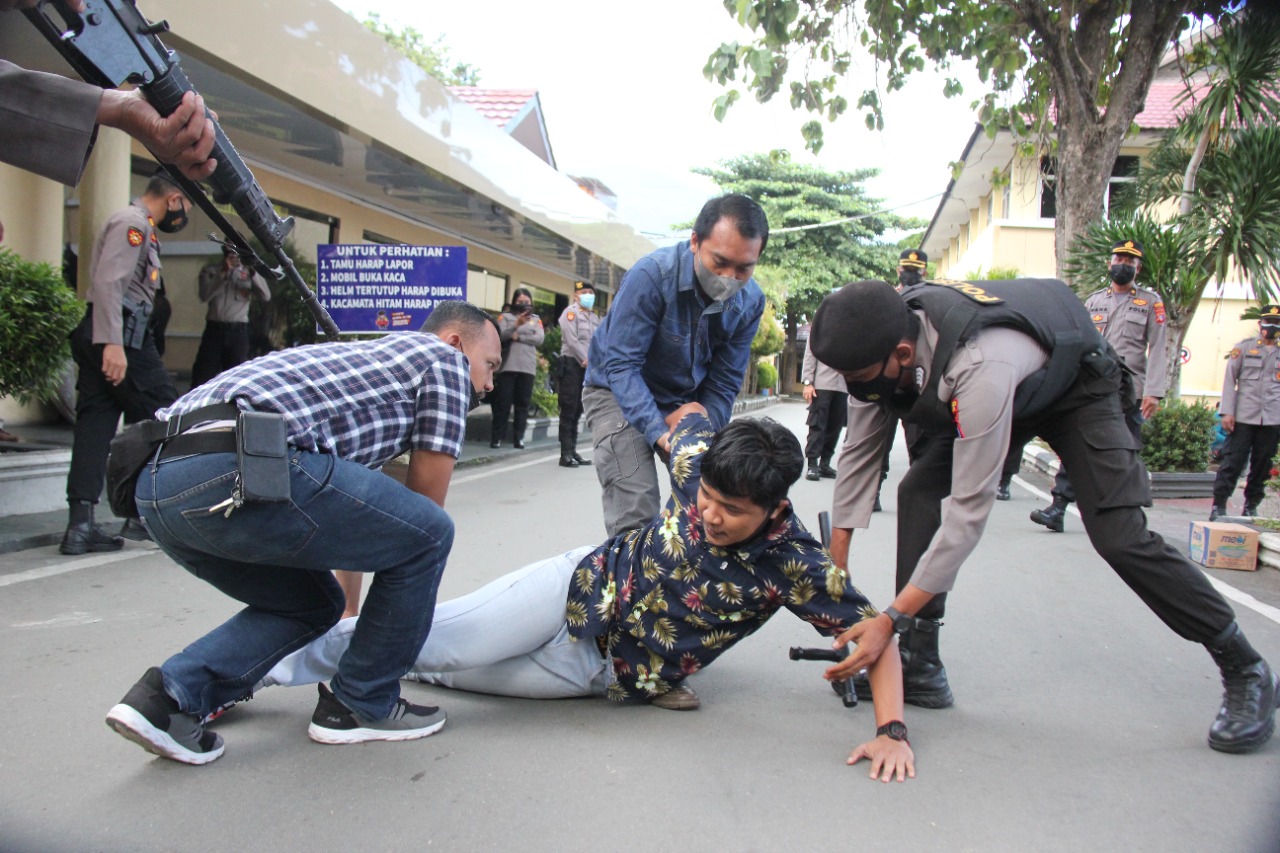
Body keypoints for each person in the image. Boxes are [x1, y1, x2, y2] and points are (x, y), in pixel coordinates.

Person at [263, 408, 917, 781]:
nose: (713, 515)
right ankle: (244, 672)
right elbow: (684, 422)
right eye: (709, 500)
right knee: (435, 636)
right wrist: (688, 418)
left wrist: (891, 730)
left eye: (734, 510)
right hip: (575, 582)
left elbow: (876, 636)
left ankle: (313, 668)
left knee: (433, 665)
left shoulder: (795, 563)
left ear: (775, 506)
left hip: (594, 666)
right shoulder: (702, 462)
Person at [815, 278, 1276, 754]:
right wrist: (837, 570)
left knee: (1119, 536)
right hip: (1008, 390)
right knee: (919, 490)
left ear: (905, 354)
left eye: (864, 375)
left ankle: (1245, 666)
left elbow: (967, 517)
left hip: (1076, 389)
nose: (857, 386)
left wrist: (887, 620)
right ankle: (921, 665)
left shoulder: (979, 364)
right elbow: (860, 454)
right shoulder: (873, 342)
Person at [103, 301, 503, 765]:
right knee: (432, 533)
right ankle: (363, 701)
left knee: (313, 604)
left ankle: (166, 699)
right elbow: (421, 512)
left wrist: (351, 609)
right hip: (243, 461)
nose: (491, 383)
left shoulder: (360, 374)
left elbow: (363, 522)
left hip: (155, 484)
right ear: (456, 342)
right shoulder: (443, 363)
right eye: (489, 364)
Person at [583, 193, 768, 536]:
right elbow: (621, 366)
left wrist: (702, 430)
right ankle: (630, 582)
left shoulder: (751, 302)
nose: (730, 277)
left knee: (712, 499)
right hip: (616, 391)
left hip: (683, 401)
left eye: (744, 268)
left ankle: (685, 583)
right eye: (720, 262)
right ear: (695, 242)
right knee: (636, 508)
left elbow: (725, 382)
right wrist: (659, 434)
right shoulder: (652, 275)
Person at [59, 173, 191, 555]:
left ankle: (81, 526)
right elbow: (107, 284)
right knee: (170, 417)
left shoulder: (137, 224)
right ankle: (145, 514)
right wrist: (113, 345)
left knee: (95, 427)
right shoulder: (133, 224)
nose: (182, 214)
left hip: (109, 333)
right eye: (184, 206)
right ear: (174, 198)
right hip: (121, 337)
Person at [1030, 239, 1167, 532]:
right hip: (1093, 385)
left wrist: (1154, 391)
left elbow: (1158, 348)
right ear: (1109, 263)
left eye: (1130, 261)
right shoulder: (1094, 301)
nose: (1123, 265)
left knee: (1124, 450)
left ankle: (1127, 516)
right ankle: (1058, 507)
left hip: (1129, 387)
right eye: (1119, 258)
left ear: (1138, 268)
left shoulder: (1150, 303)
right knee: (1078, 441)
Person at [1210, 305, 1280, 520]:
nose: (1272, 327)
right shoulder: (1243, 349)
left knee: (1263, 465)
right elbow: (1230, 381)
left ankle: (1251, 505)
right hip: (1242, 417)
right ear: (1260, 324)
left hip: (1272, 418)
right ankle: (1219, 505)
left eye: (1277, 323)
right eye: (1268, 322)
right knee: (1233, 462)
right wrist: (1227, 413)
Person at [190, 247, 272, 387]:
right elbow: (205, 295)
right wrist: (223, 272)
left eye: (236, 251)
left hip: (238, 331)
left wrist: (252, 271)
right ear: (224, 251)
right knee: (203, 374)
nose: (233, 255)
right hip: (214, 329)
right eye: (230, 251)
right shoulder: (212, 271)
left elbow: (266, 296)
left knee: (236, 377)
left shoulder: (248, 272)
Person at [489, 288, 544, 449]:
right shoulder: (505, 317)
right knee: (503, 404)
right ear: (514, 302)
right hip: (508, 366)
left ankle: (518, 438)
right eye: (520, 302)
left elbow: (539, 338)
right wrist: (515, 326)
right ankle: (496, 437)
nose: (524, 304)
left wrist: (519, 336)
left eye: (527, 302)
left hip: (527, 368)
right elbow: (499, 335)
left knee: (522, 405)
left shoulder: (535, 319)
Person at [556, 280, 600, 468]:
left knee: (578, 410)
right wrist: (585, 359)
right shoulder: (570, 313)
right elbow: (572, 340)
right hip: (572, 365)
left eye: (590, 292)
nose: (588, 295)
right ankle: (564, 453)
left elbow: (597, 342)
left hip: (587, 367)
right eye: (584, 292)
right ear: (576, 295)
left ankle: (573, 451)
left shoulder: (594, 318)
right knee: (568, 408)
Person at [801, 336, 847, 481]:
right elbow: (810, 353)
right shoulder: (821, 324)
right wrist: (808, 382)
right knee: (817, 424)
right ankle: (812, 464)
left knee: (836, 426)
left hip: (844, 385)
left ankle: (825, 463)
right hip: (822, 383)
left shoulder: (852, 325)